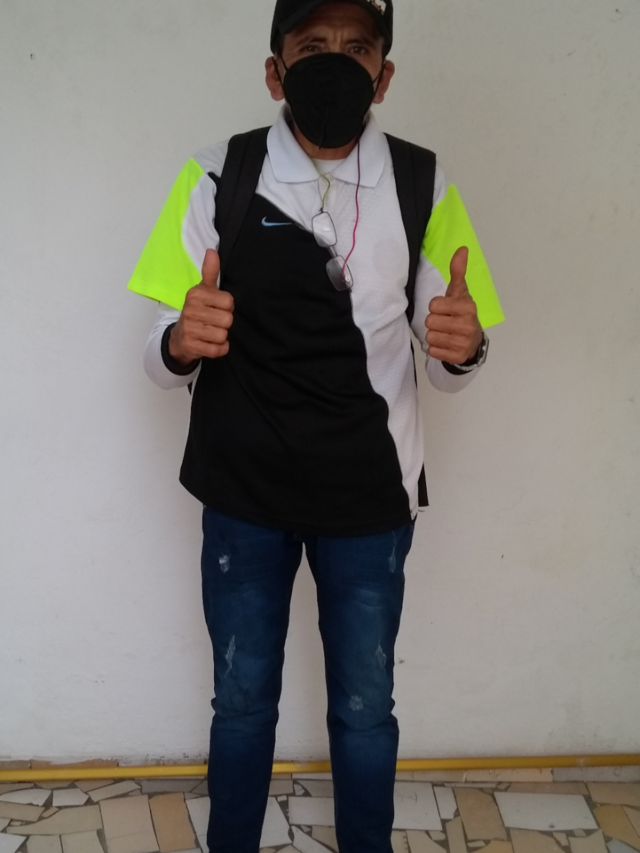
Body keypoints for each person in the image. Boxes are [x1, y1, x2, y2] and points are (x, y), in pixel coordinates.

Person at [128, 1, 504, 850]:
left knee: (366, 707)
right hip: (242, 493)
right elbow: (155, 356)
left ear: (384, 74)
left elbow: (449, 360)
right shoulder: (216, 173)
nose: (335, 61)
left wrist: (466, 348)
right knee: (241, 699)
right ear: (275, 71)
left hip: (370, 499)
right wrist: (181, 341)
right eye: (312, 46)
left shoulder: (424, 181)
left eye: (357, 47)